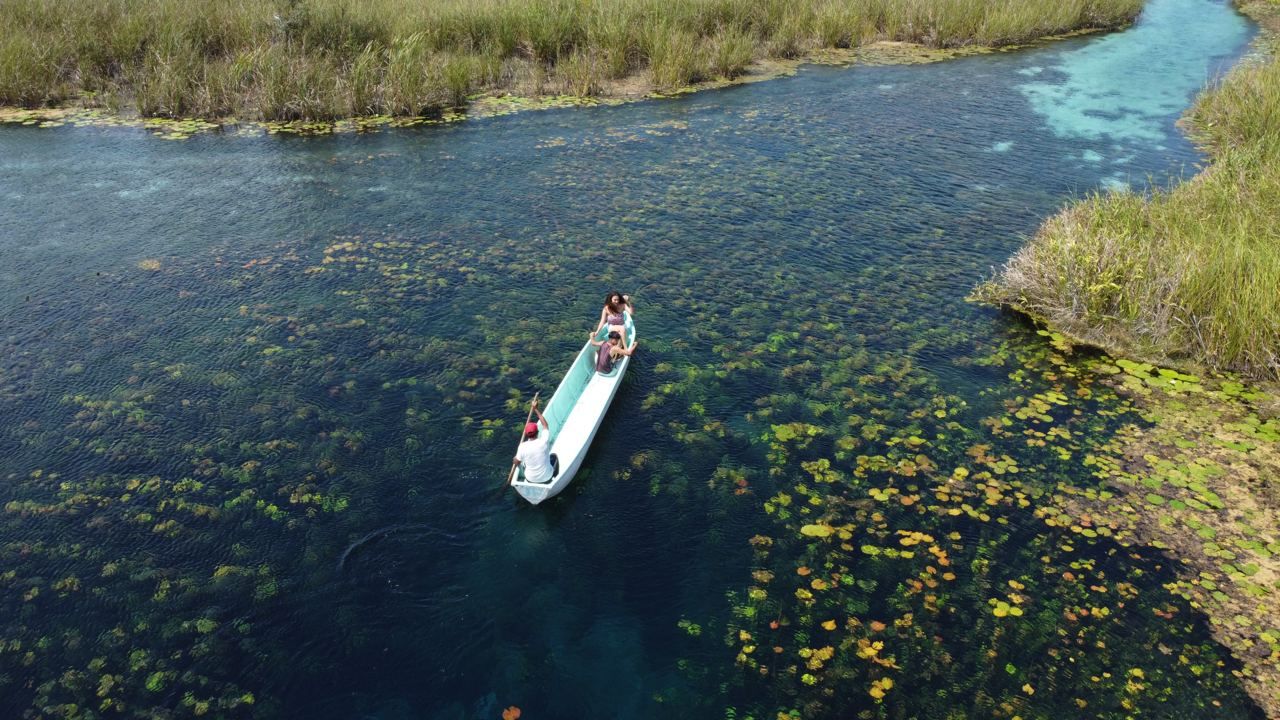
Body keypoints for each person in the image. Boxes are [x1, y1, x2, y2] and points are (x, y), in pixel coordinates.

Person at [513, 399, 556, 483]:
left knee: (523, 461)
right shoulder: (543, 441)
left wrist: (515, 458)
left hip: (530, 479)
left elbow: (516, 462)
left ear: (526, 434)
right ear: (537, 432)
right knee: (554, 457)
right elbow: (545, 425)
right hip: (547, 478)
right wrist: (535, 408)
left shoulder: (522, 446)